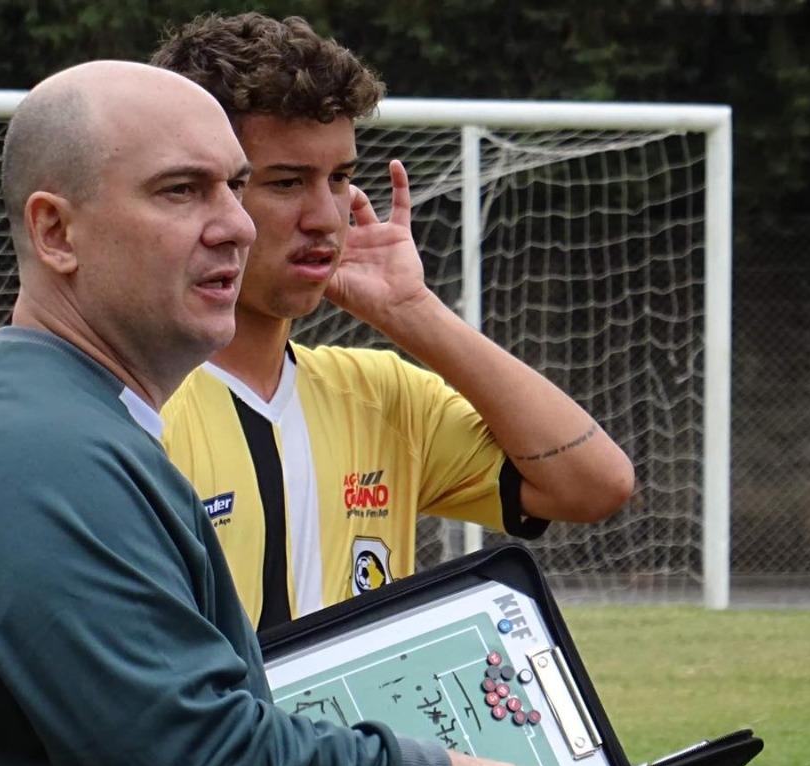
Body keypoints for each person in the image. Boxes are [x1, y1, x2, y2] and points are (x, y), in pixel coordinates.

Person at [0, 60, 622, 766]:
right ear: (56, 232)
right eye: (182, 191)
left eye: (233, 187)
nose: (232, 224)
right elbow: (189, 761)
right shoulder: (47, 455)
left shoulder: (66, 422)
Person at [152, 14, 635, 631]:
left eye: (341, 178)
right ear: (197, 191)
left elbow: (594, 485)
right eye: (286, 182)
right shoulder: (133, 409)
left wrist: (413, 312)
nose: (325, 216)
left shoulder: (380, 393)